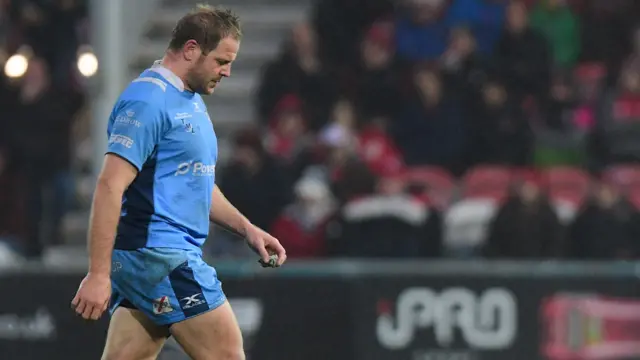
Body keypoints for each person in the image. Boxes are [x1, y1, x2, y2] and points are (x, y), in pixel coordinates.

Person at [70, 6, 287, 360]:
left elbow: (194, 182)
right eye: (220, 61)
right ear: (190, 50)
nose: (227, 72)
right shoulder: (148, 101)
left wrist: (247, 228)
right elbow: (110, 185)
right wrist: (97, 274)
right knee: (227, 354)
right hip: (159, 256)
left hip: (154, 257)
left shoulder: (188, 99)